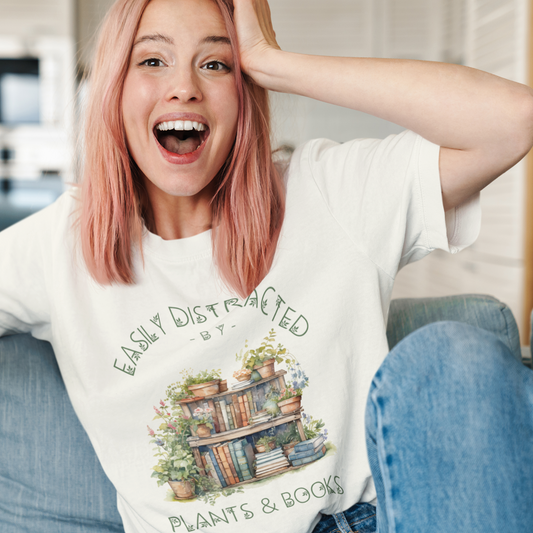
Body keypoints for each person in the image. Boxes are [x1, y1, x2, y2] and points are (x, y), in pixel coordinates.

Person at [1, 0, 532, 532]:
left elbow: (514, 119)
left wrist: (275, 63)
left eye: (217, 64)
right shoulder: (57, 246)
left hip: (364, 521)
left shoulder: (327, 191)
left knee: (452, 355)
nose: (184, 87)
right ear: (114, 87)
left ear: (245, 90)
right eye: (152, 61)